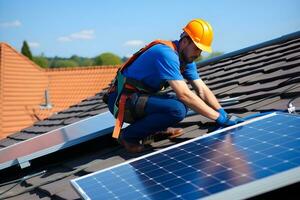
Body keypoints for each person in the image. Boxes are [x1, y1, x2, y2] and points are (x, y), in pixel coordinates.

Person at [105, 19, 243, 153]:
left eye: (201, 50)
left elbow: (201, 89)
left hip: (139, 98)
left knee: (178, 104)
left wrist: (222, 112)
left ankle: (155, 129)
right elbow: (184, 94)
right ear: (184, 41)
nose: (198, 54)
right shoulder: (165, 54)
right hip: (122, 100)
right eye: (196, 48)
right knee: (177, 108)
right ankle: (128, 136)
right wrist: (218, 118)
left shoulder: (186, 60)